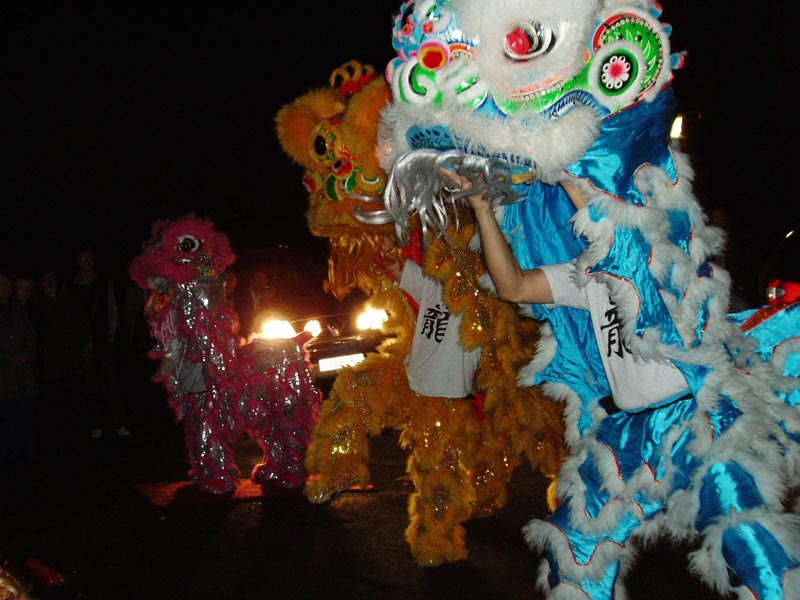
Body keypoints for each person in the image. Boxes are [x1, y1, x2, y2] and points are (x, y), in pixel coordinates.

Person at [451, 168, 800, 599]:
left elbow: (619, 244)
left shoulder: (664, 256)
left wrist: (561, 164)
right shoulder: (589, 276)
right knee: (577, 547)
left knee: (750, 543)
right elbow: (514, 286)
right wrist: (482, 210)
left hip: (697, 423)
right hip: (630, 435)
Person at [70, 249, 131, 439]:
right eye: (82, 259)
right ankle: (95, 424)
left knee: (110, 381)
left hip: (103, 340)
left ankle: (119, 422)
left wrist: (112, 333)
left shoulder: (104, 283)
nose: (86, 262)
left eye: (89, 258)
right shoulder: (72, 286)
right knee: (90, 383)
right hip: (82, 343)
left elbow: (112, 309)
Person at [0, 272, 39, 469]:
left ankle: (27, 456)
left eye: (7, 284)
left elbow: (30, 335)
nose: (4, 288)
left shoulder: (18, 308)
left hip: (22, 373)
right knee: (6, 416)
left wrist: (26, 355)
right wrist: (6, 359)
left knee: (24, 414)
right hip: (3, 374)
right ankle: (9, 457)